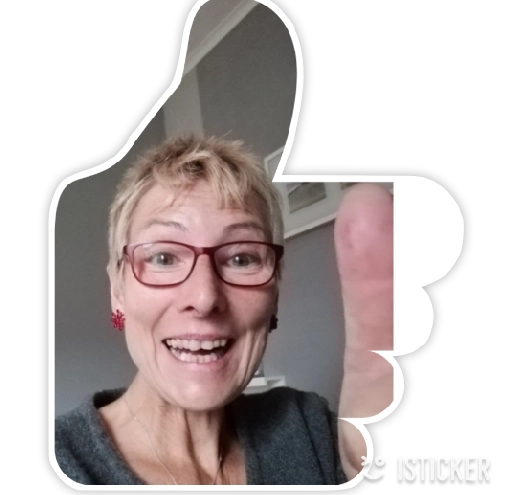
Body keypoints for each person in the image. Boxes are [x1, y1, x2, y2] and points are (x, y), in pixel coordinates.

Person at [54, 136, 393, 485]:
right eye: (164, 258)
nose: (204, 298)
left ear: (275, 293)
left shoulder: (309, 429)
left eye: (241, 258)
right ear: (117, 290)